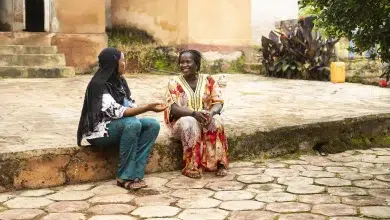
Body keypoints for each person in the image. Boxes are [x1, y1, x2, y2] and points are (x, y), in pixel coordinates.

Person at [77, 48, 166, 190]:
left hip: (117, 125)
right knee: (132, 123)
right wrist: (148, 107)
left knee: (152, 125)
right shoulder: (98, 85)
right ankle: (124, 176)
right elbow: (119, 112)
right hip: (99, 132)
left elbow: (130, 104)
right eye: (122, 60)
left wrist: (143, 107)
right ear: (113, 63)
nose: (125, 63)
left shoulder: (119, 81)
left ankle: (136, 173)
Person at [164, 49, 229, 178]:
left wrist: (210, 113)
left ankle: (219, 164)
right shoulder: (174, 83)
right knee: (190, 122)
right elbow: (174, 109)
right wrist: (194, 114)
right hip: (181, 124)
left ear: (197, 64)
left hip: (204, 119)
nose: (184, 65)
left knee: (216, 121)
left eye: (188, 62)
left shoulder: (208, 80)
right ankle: (191, 166)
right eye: (181, 62)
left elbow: (218, 102)